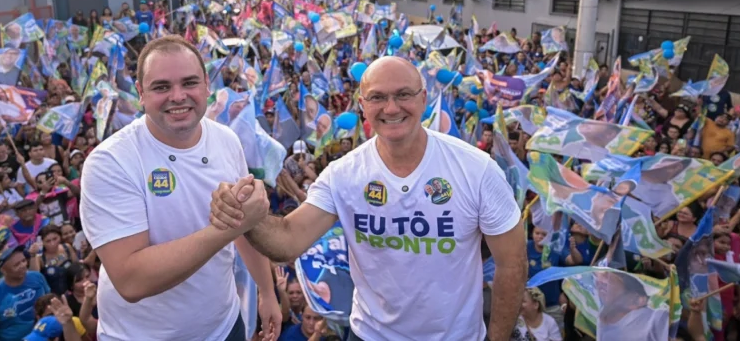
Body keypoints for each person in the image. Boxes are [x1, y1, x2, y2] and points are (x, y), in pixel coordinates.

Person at [210, 56, 527, 341]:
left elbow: (511, 262)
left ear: (424, 99)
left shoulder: (476, 168)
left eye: (403, 94)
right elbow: (288, 240)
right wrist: (245, 215)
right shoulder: (343, 174)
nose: (391, 108)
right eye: (378, 98)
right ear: (362, 105)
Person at [80, 35, 282, 341]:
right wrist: (228, 228)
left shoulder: (226, 140)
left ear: (206, 86)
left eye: (189, 83)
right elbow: (132, 280)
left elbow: (245, 229)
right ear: (141, 93)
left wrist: (266, 291)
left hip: (224, 328)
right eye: (161, 87)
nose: (178, 96)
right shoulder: (111, 162)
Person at [0, 245, 51, 341]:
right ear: (3, 271)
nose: (23, 266)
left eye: (23, 261)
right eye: (16, 264)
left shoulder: (37, 277)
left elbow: (50, 302)